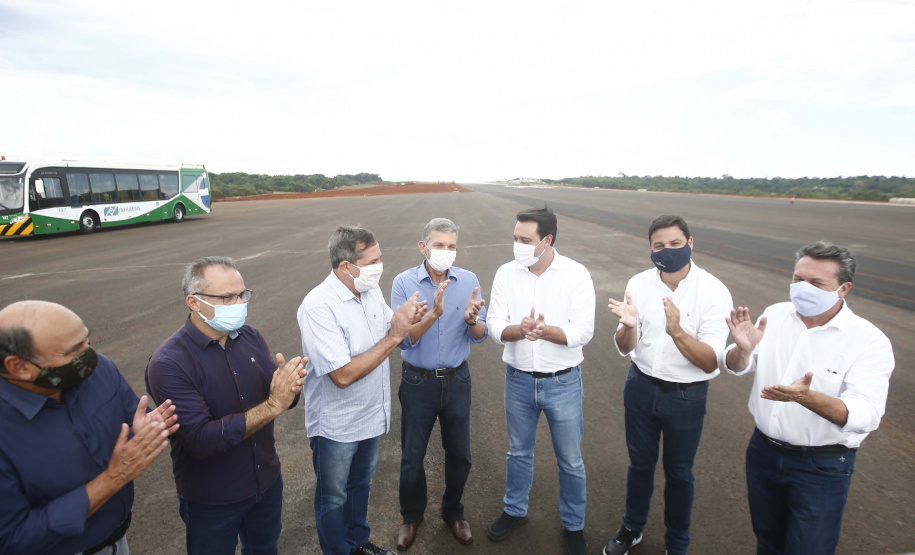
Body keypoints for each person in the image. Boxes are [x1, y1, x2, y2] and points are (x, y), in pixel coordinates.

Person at [723, 241, 894, 555]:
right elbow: (736, 366)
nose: (803, 288)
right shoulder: (774, 316)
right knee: (768, 541)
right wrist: (742, 350)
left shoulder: (868, 341)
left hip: (821, 466)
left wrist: (807, 397)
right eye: (797, 279)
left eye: (817, 283)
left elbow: (866, 413)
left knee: (809, 549)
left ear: (843, 289)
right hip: (763, 452)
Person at [145, 256, 306, 555]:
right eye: (227, 297)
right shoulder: (169, 364)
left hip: (266, 481)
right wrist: (273, 405)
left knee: (265, 548)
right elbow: (200, 439)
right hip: (213, 499)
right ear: (194, 302)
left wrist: (290, 388)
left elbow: (280, 396)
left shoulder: (250, 336)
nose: (239, 303)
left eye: (242, 294)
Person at [0, 300, 178, 555]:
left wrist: (143, 431)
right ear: (19, 367)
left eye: (87, 340)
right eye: (74, 350)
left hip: (118, 540)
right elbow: (13, 539)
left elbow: (131, 419)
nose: (89, 354)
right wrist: (113, 479)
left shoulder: (97, 370)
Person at [603, 215, 733, 555]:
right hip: (641, 386)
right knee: (640, 464)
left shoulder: (714, 292)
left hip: (686, 395)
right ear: (651, 249)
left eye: (675, 243)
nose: (667, 251)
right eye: (659, 245)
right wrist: (629, 326)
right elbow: (624, 346)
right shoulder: (640, 283)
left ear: (690, 244)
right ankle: (632, 528)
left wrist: (677, 331)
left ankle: (677, 542)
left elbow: (709, 361)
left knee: (679, 473)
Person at [298, 225, 425, 555]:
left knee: (359, 487)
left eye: (379, 258)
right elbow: (341, 375)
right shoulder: (318, 306)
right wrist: (396, 334)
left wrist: (411, 319)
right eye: (372, 262)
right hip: (337, 427)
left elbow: (393, 329)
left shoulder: (369, 292)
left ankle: (357, 542)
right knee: (333, 498)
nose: (379, 267)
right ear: (345, 266)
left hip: (370, 416)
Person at [485, 206, 596, 555]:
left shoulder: (576, 275)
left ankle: (573, 525)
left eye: (524, 240)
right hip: (518, 380)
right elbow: (494, 324)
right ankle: (515, 510)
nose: (517, 245)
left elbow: (584, 330)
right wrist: (521, 329)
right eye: (515, 238)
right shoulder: (506, 273)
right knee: (518, 452)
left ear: (546, 240)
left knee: (571, 460)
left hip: (562, 382)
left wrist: (547, 332)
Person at [391, 218, 487, 550]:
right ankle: (411, 516)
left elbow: (480, 335)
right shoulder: (404, 283)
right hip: (418, 381)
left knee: (460, 453)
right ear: (423, 247)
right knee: (412, 456)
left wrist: (472, 320)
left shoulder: (469, 280)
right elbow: (404, 340)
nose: (445, 252)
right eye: (439, 245)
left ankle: (453, 511)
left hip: (458, 379)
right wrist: (432, 314)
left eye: (451, 246)